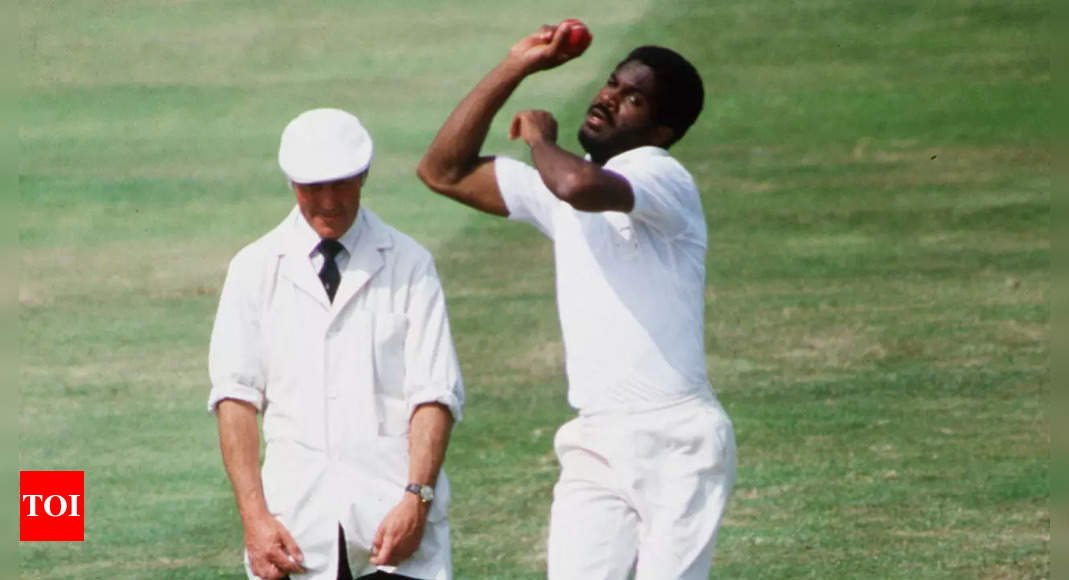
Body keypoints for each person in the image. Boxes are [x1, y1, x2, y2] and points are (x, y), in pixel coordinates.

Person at [417, 21, 735, 580]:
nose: (608, 98)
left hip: (677, 440)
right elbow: (442, 171)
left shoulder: (661, 176)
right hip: (595, 438)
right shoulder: (569, 183)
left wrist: (540, 138)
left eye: (633, 99)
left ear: (661, 130)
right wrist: (517, 65)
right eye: (613, 83)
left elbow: (577, 188)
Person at [209, 108, 464, 580]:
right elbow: (235, 400)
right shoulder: (254, 267)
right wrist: (254, 518)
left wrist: (417, 498)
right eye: (313, 187)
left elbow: (434, 393)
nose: (328, 202)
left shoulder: (410, 263)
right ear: (292, 183)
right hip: (294, 529)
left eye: (341, 184)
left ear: (364, 175)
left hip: (394, 526)